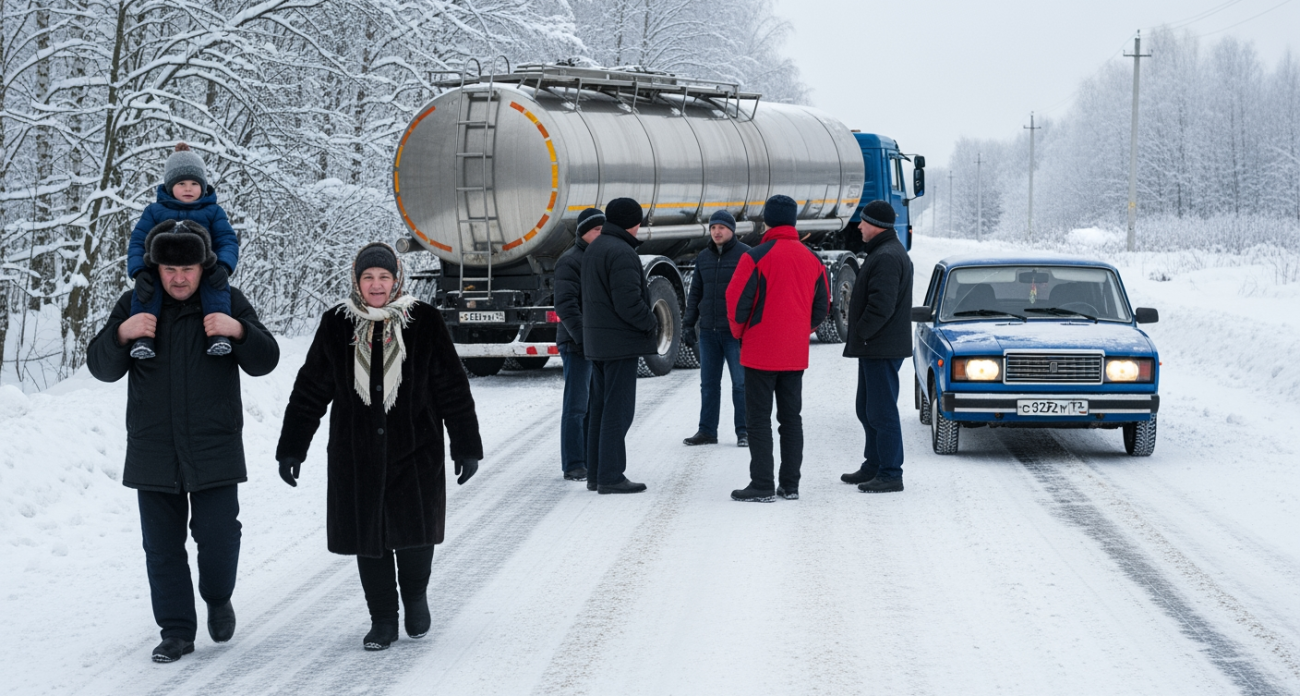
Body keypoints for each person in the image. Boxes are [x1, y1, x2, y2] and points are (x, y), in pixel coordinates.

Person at [86, 219, 280, 663]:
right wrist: (120, 334)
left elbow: (266, 360)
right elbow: (100, 367)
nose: (178, 277)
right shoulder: (137, 305)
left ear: (202, 265)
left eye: (187, 268)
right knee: (162, 548)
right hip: (154, 448)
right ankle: (175, 631)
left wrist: (239, 332)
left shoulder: (227, 301)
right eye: (169, 267)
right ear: (156, 266)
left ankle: (216, 595)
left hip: (214, 444)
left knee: (219, 536)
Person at [275, 242, 483, 651]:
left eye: (383, 277)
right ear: (356, 280)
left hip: (415, 447)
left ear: (397, 279)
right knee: (366, 537)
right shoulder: (337, 324)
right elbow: (310, 390)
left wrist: (466, 444)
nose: (376, 285)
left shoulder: (424, 321)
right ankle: (383, 618)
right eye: (368, 277)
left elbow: (451, 387)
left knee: (415, 534)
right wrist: (292, 447)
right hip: (356, 454)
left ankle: (416, 596)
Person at [725, 194, 830, 502]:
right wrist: (800, 331)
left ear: (767, 221)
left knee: (758, 420)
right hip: (794, 354)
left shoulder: (755, 256)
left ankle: (762, 484)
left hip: (759, 351)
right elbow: (823, 306)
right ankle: (790, 485)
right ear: (794, 222)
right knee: (791, 419)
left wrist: (742, 333)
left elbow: (736, 303)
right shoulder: (812, 259)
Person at [127, 142, 240, 359]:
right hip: (161, 266)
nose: (188, 188)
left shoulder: (213, 212)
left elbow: (227, 240)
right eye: (181, 183)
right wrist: (139, 271)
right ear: (170, 186)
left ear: (203, 186)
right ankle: (143, 337)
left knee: (216, 288)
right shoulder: (154, 211)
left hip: (202, 266)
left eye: (194, 183)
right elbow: (137, 242)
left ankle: (218, 335)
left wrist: (224, 267)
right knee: (146, 291)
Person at [581, 197, 656, 494]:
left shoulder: (596, 247)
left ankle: (596, 474)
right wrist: (651, 321)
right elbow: (628, 303)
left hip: (599, 341)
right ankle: (611, 476)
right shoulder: (621, 251)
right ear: (633, 222)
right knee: (618, 410)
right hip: (618, 342)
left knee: (600, 407)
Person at [840, 201, 914, 493]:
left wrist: (861, 332)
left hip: (881, 346)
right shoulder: (883, 251)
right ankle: (873, 464)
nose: (859, 226)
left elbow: (880, 306)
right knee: (866, 408)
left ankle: (891, 472)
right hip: (876, 346)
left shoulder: (886, 256)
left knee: (882, 412)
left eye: (863, 222)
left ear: (877, 226)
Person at [682, 210, 750, 447]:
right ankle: (707, 431)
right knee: (708, 384)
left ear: (732, 230)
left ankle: (744, 432)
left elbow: (754, 295)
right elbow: (695, 293)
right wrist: (688, 323)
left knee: (741, 384)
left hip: (735, 333)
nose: (717, 232)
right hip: (708, 331)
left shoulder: (746, 255)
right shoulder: (703, 257)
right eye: (713, 228)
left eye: (721, 228)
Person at [553, 208, 605, 481]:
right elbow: (565, 305)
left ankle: (588, 457)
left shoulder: (598, 258)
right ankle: (573, 463)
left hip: (597, 343)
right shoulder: (570, 261)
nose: (601, 234)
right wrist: (584, 339)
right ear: (583, 232)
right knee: (576, 406)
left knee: (593, 403)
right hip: (577, 344)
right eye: (596, 230)